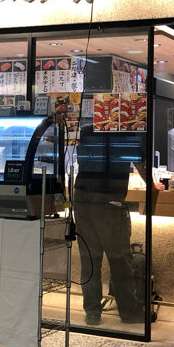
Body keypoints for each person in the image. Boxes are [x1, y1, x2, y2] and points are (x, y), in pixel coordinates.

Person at [73, 125, 142, 325]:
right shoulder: (126, 132)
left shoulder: (86, 131)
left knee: (90, 261)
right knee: (119, 260)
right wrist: (153, 186)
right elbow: (142, 166)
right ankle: (129, 312)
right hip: (110, 203)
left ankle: (92, 313)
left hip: (83, 201)